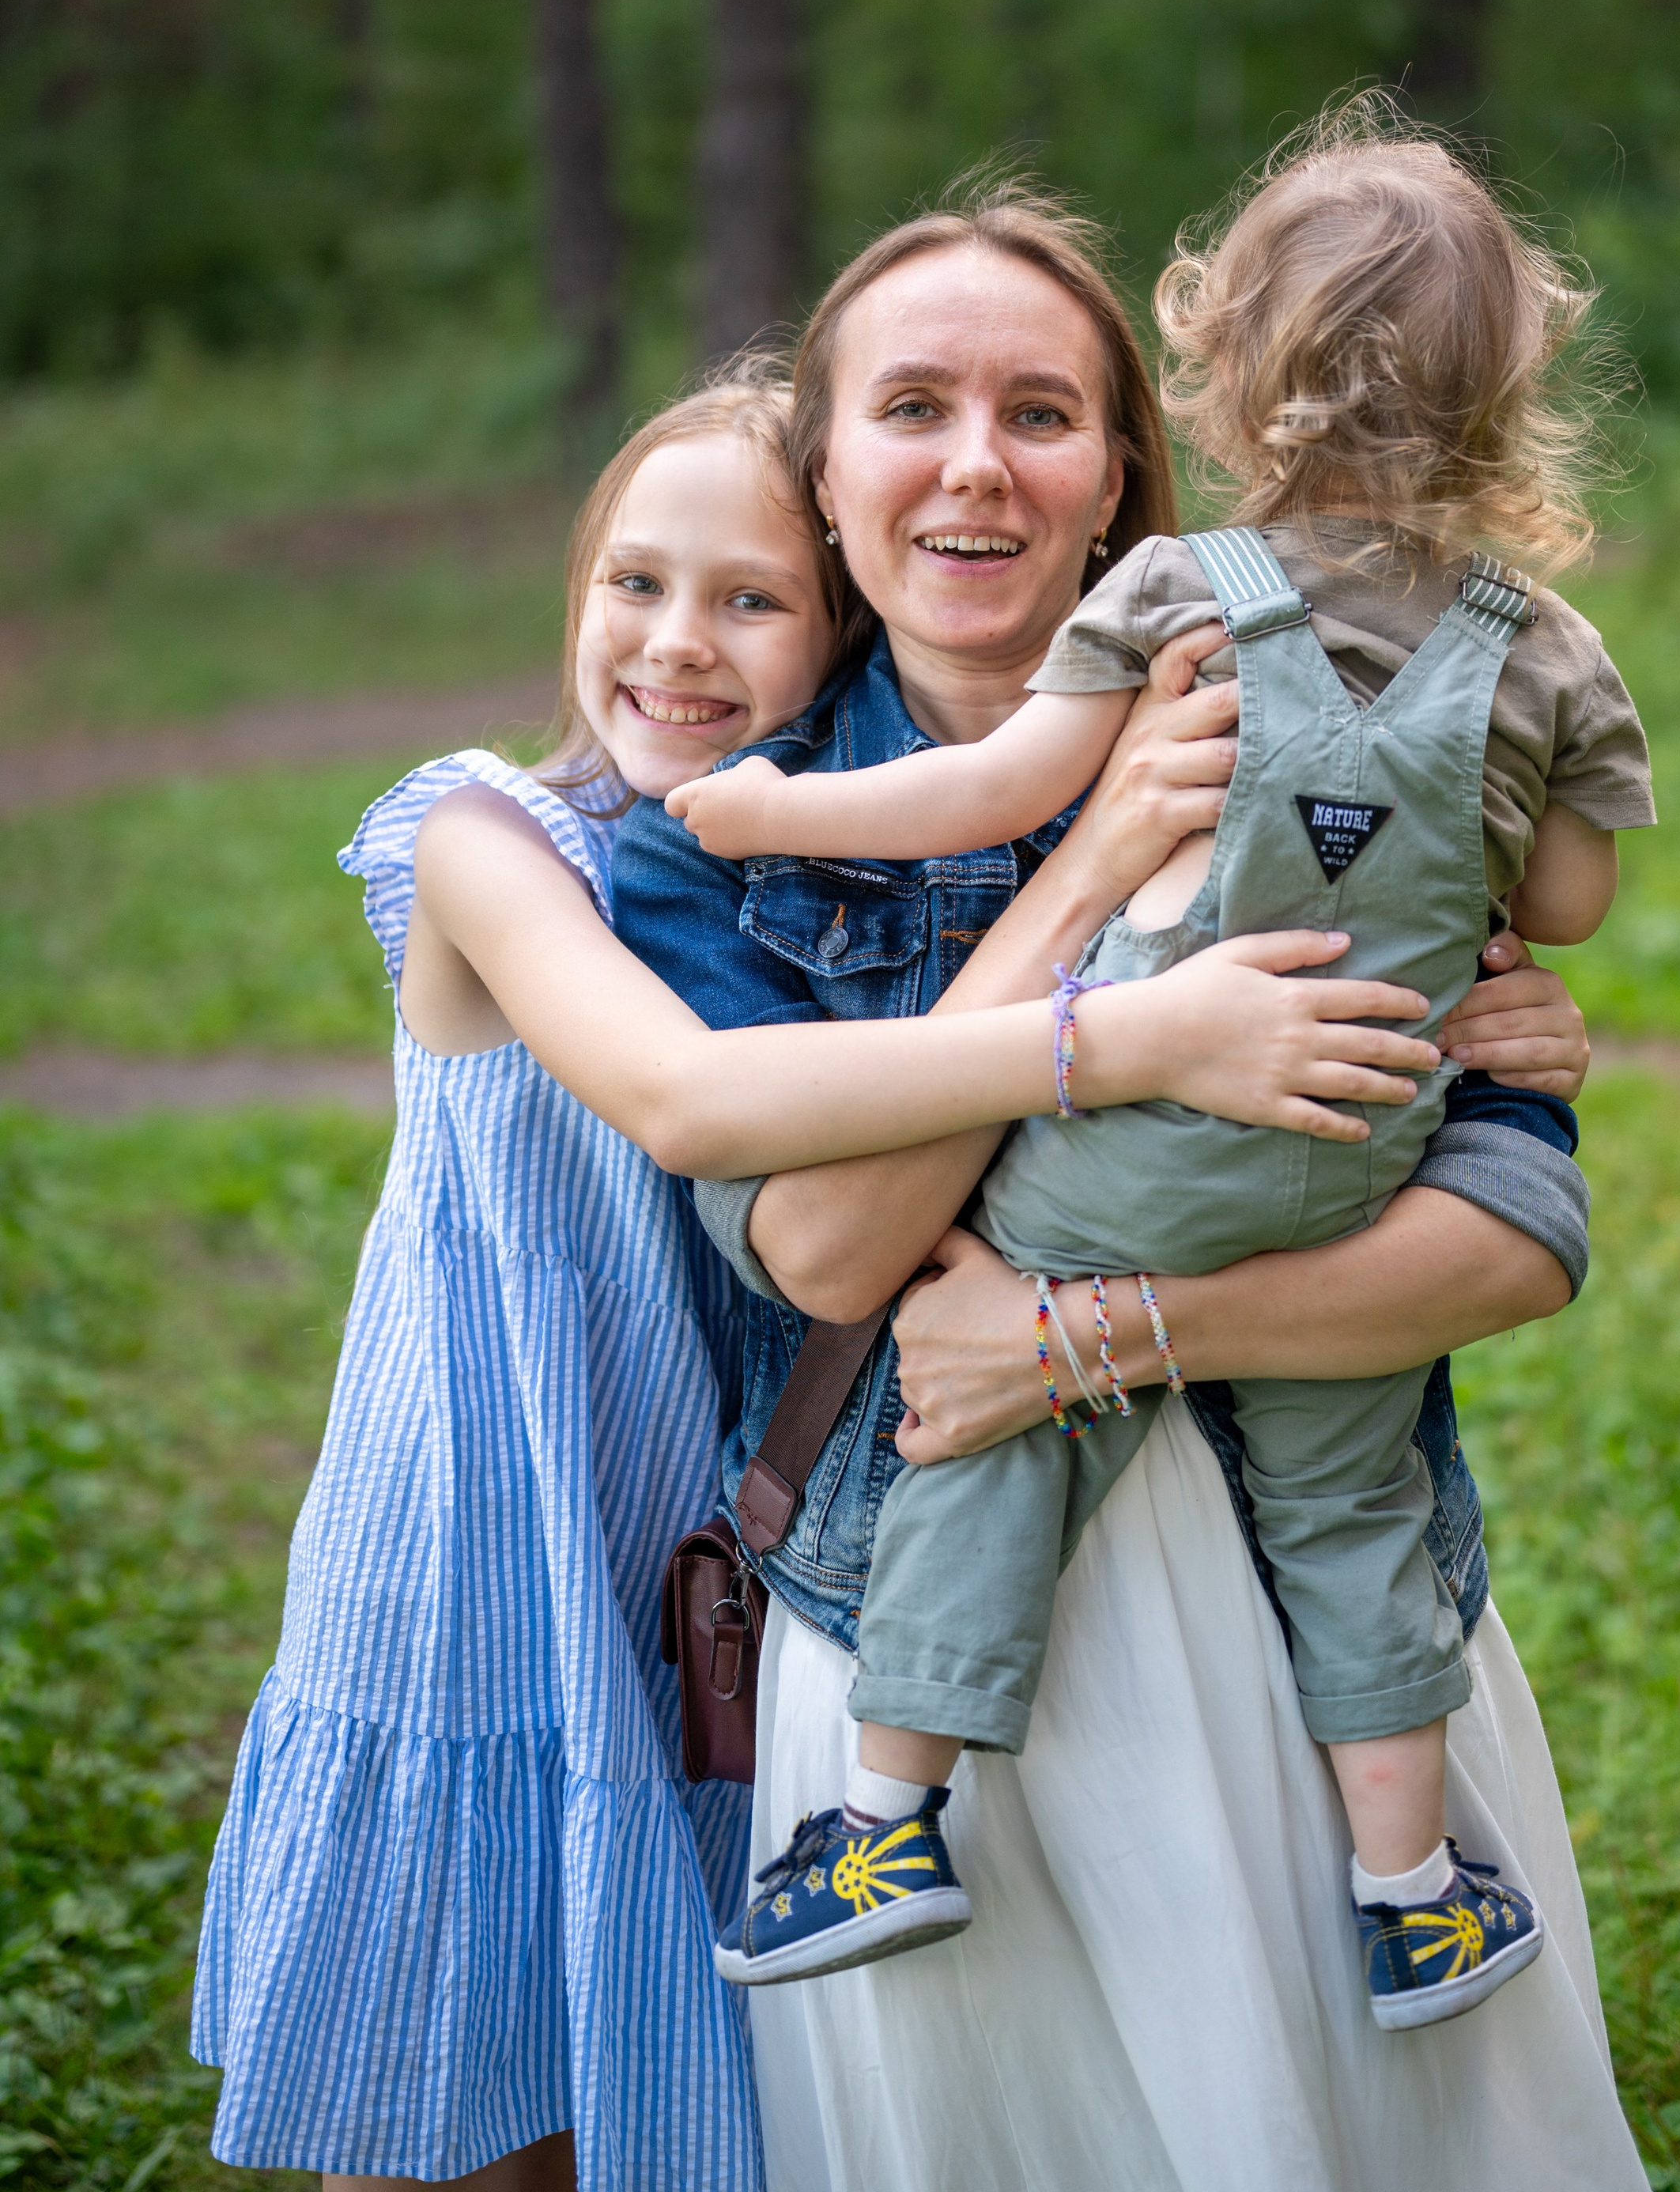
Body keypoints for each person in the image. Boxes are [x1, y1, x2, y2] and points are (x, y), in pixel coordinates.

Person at [193, 374, 1406, 2192]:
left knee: (643, 2049)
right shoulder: (485, 839)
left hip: (694, 1523)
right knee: (448, 2081)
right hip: (484, 1526)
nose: (675, 641)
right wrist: (1123, 1004)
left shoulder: (826, 886)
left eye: (748, 598)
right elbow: (689, 1101)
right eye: (632, 581)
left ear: (836, 635)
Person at [612, 170, 1650, 2190]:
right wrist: (1090, 877)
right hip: (906, 1599)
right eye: (910, 408)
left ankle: (1376, 1891)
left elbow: (1510, 1246)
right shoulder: (706, 841)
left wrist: (1091, 1330)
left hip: (1289, 1631)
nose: (972, 464)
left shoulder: (1295, 707)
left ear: (1125, 471)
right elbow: (827, 1249)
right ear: (821, 472)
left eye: (1038, 412)